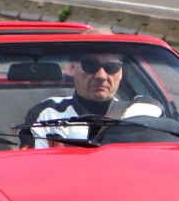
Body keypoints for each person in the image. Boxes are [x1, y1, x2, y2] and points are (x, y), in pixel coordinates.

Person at [21, 53, 162, 148]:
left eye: (111, 68)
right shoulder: (46, 115)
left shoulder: (146, 114)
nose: (101, 76)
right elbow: (33, 173)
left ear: (121, 73)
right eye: (90, 66)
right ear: (71, 68)